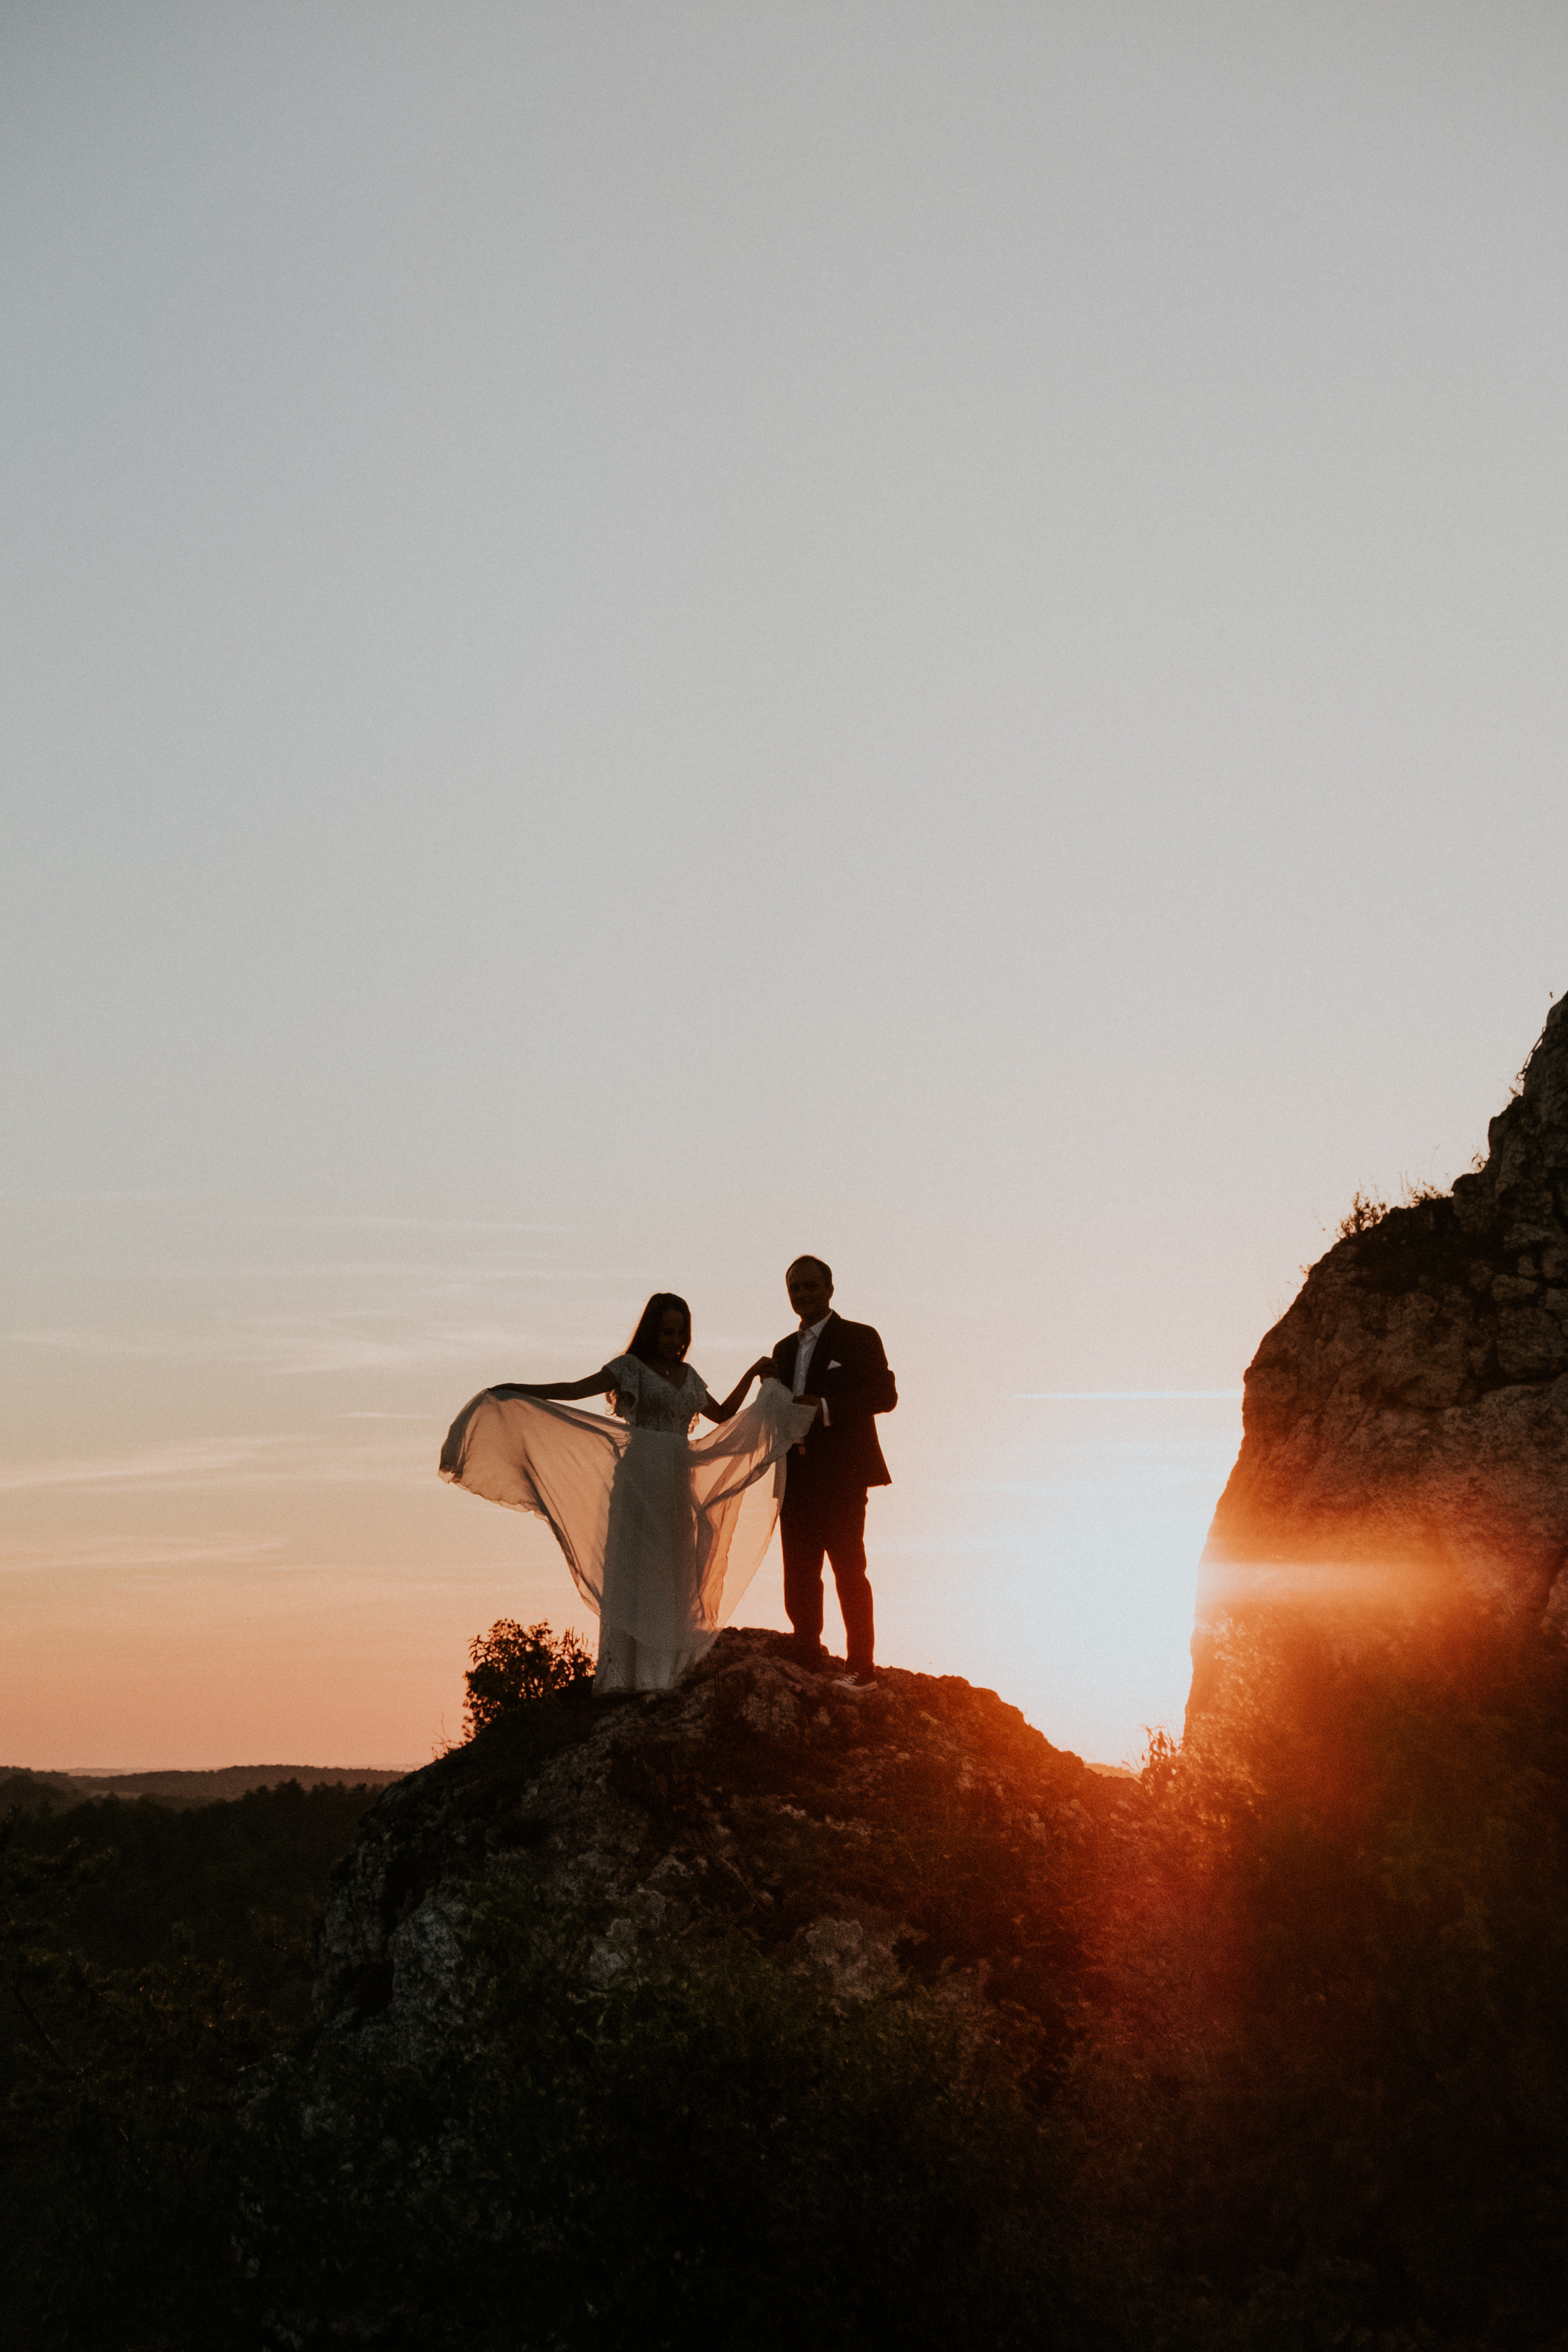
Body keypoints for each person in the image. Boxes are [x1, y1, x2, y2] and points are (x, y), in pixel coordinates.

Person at [439, 1294, 813, 1695]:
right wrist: (518, 1390)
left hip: (673, 1482)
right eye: (667, 1330)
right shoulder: (629, 1368)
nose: (675, 1339)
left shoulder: (689, 1376)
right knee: (633, 1569)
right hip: (637, 1480)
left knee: (673, 1569)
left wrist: (755, 1372)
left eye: (681, 1331)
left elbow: (722, 1415)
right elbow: (574, 1388)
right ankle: (623, 1678)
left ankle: (661, 1675)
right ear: (652, 1330)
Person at [768, 1256, 897, 1692]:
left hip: (843, 1474)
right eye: (794, 1289)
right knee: (799, 1572)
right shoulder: (783, 1350)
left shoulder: (860, 1337)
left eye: (809, 1286)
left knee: (849, 1569)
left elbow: (884, 1395)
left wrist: (823, 1407)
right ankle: (807, 1651)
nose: (802, 1294)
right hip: (796, 1475)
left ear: (829, 1288)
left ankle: (863, 1667)